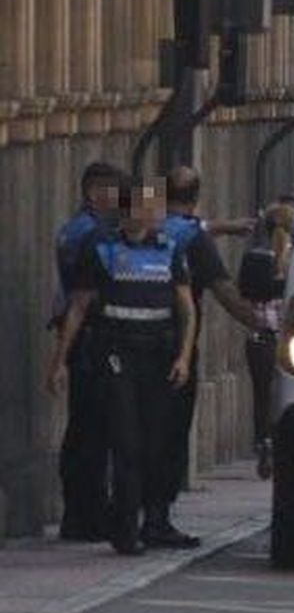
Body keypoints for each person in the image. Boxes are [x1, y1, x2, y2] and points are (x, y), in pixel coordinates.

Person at [47, 178, 197, 555]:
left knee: (154, 444)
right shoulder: (101, 248)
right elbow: (78, 306)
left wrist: (183, 356)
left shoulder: (169, 249)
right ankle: (126, 529)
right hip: (117, 356)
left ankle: (147, 519)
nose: (151, 214)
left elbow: (186, 308)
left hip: (159, 358)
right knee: (126, 443)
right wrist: (60, 361)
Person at [157, 167, 263, 547]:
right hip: (176, 350)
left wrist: (226, 226)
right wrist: (263, 322)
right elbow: (225, 293)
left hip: (127, 346)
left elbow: (188, 225)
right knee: (168, 434)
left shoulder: (141, 227)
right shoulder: (194, 241)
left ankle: (108, 513)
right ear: (197, 197)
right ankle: (157, 518)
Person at [50, 162, 125, 542]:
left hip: (79, 337)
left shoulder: (73, 229)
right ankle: (88, 514)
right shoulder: (94, 236)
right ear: (95, 192)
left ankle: (82, 512)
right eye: (114, 192)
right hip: (90, 338)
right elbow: (83, 298)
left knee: (84, 430)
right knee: (95, 432)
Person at [243, 196, 294, 478]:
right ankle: (283, 445)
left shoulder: (254, 258)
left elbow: (244, 292)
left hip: (259, 337)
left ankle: (264, 442)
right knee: (287, 396)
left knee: (262, 396)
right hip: (288, 340)